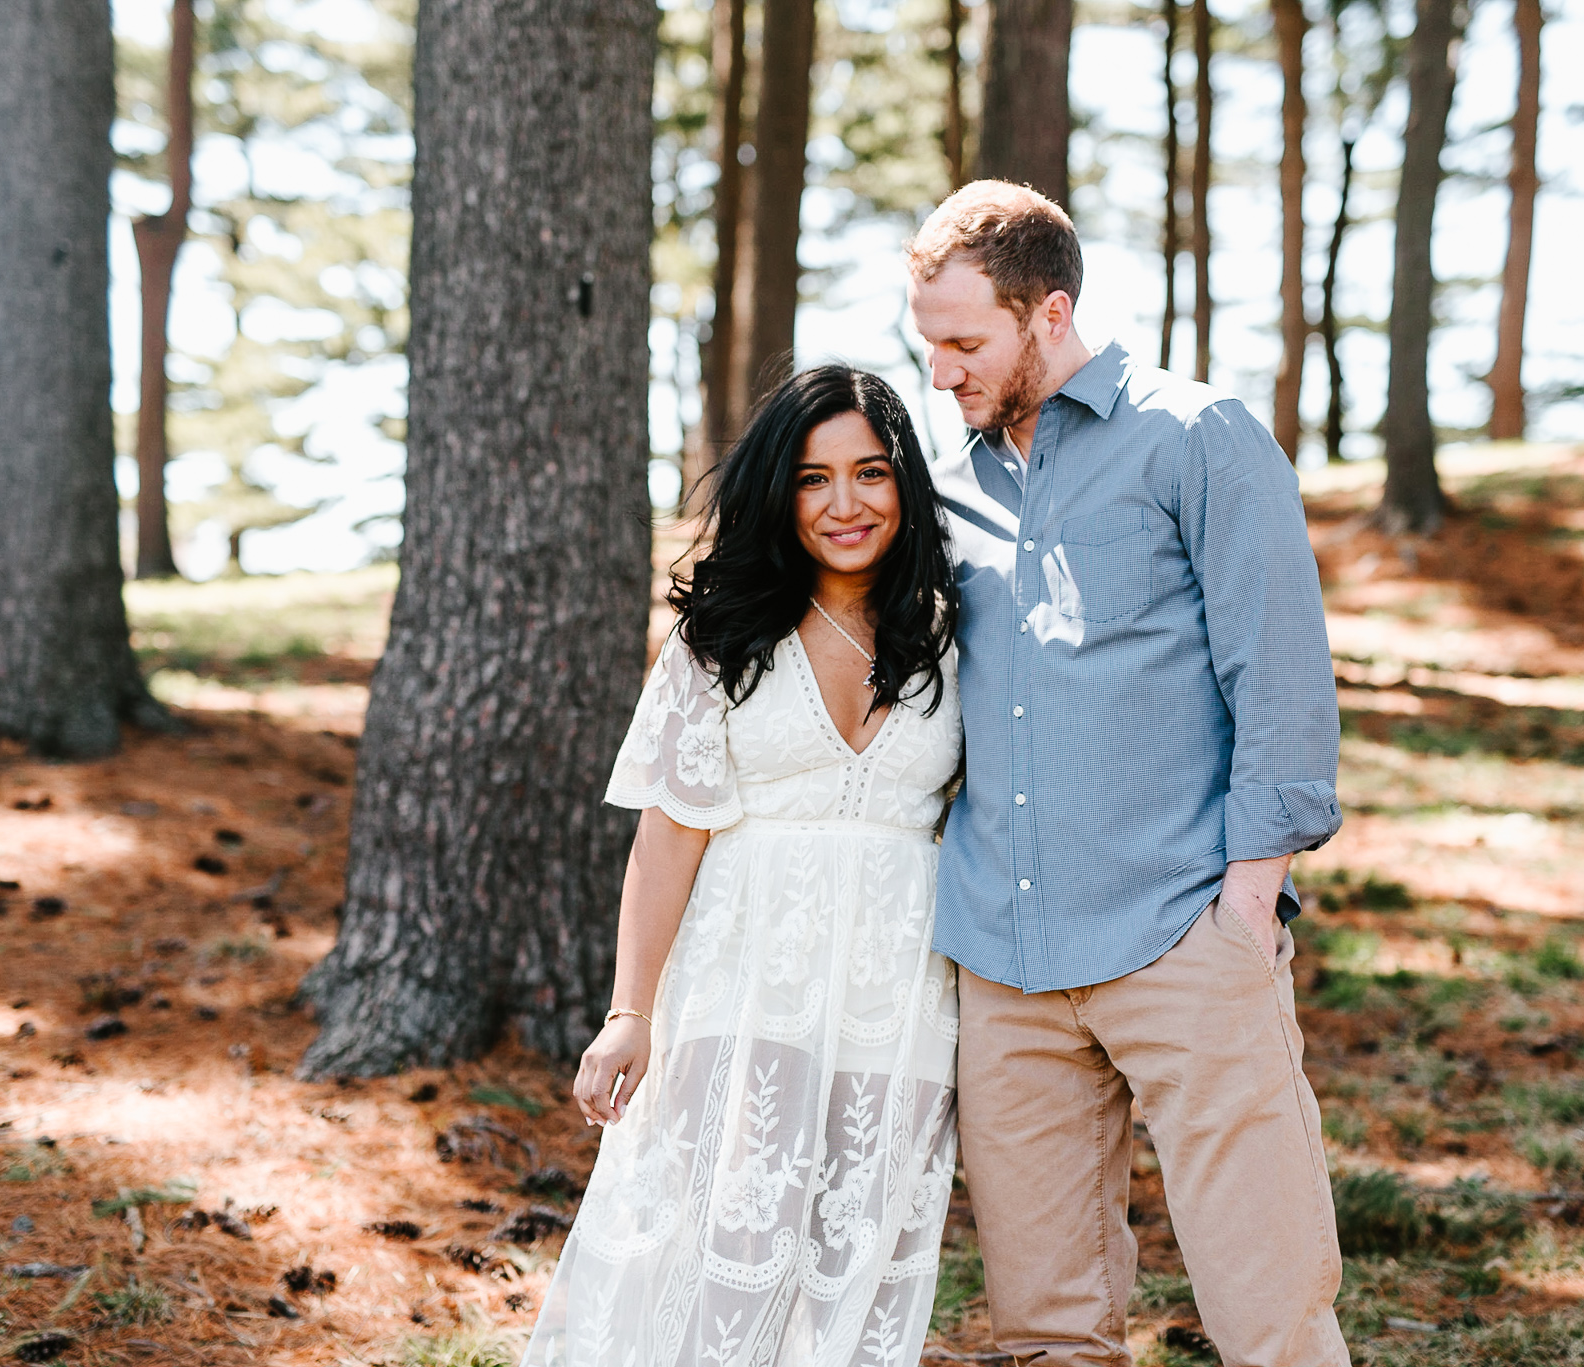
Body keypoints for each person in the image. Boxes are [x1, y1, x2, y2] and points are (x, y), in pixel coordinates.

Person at [907, 181, 1350, 1367]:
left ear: (1048, 312)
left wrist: (1247, 903)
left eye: (964, 343)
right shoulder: (945, 483)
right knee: (1046, 1326)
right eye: (928, 345)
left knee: (1271, 1315)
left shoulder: (1195, 435)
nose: (941, 371)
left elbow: (1283, 679)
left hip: (1182, 931)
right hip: (1002, 959)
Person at [522, 366, 965, 1367]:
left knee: (858, 1251)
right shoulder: (720, 640)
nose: (844, 503)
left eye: (869, 473)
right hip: (740, 984)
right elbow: (667, 834)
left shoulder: (952, 637)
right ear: (778, 490)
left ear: (905, 485)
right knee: (709, 1243)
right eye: (812, 479)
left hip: (896, 1003)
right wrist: (629, 1010)